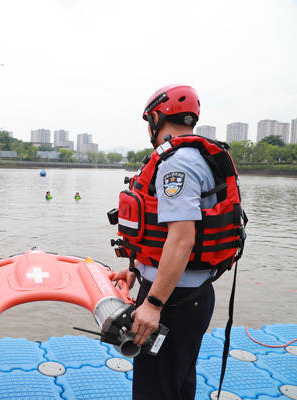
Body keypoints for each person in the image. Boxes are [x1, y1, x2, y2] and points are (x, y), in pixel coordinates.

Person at [110, 84, 246, 399]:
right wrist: (137, 269)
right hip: (190, 295)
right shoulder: (198, 156)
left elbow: (182, 240)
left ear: (156, 118)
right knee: (179, 384)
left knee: (155, 390)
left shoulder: (176, 163)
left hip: (173, 301)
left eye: (149, 121)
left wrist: (154, 303)